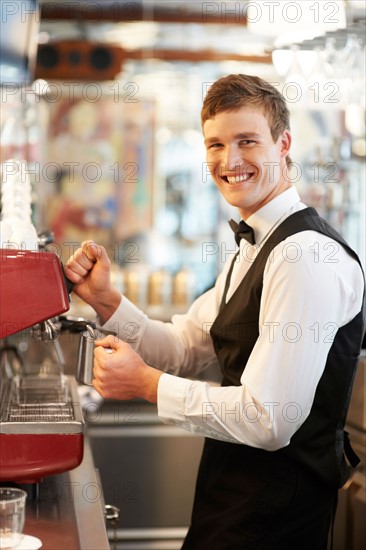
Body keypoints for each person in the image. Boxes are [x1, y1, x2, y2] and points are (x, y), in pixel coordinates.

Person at [65, 74, 365, 550]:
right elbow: (186, 347)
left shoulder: (305, 255)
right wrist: (105, 299)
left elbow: (269, 418)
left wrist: (145, 384)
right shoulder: (254, 244)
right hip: (231, 502)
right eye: (216, 144)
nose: (230, 161)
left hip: (276, 522)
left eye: (247, 141)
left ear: (283, 143)